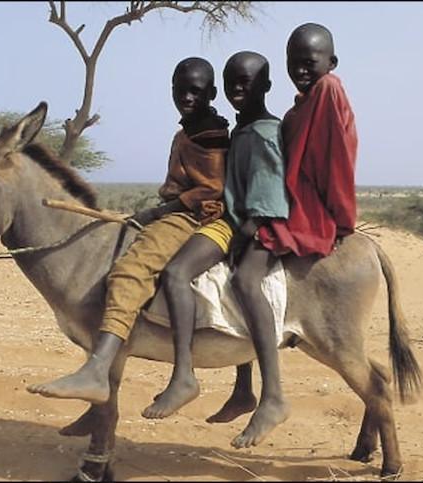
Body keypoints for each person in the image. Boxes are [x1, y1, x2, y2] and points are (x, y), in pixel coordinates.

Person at [26, 57, 231, 404]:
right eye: (180, 90)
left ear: (211, 93)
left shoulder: (209, 136)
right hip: (181, 209)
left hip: (196, 215)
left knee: (130, 271)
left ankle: (98, 368)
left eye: (196, 91)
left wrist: (157, 211)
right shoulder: (189, 130)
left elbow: (208, 191)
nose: (187, 97)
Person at [142, 51, 291, 449]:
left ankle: (261, 389)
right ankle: (244, 389)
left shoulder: (261, 133)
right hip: (234, 218)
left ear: (266, 86)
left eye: (246, 83)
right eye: (232, 85)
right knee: (226, 283)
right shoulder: (240, 129)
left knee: (222, 279)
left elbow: (265, 191)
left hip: (255, 223)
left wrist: (244, 230)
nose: (237, 91)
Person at [257, 22, 358, 258]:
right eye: (293, 63)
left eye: (309, 64)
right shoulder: (297, 109)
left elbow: (337, 164)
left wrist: (342, 221)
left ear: (331, 63)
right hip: (297, 203)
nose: (300, 71)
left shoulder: (327, 89)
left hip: (311, 212)